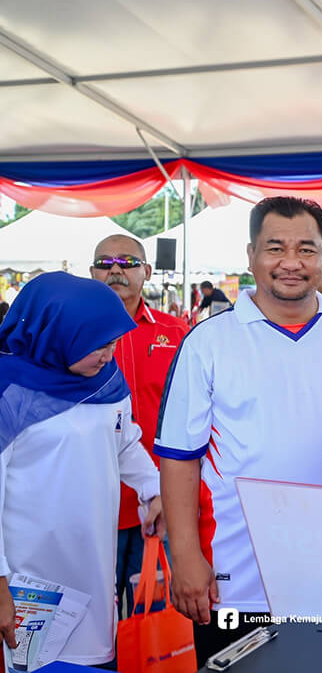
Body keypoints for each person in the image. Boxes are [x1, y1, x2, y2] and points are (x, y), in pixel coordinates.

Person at [156, 196, 322, 665]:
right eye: (275, 248)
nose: (291, 263)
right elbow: (178, 458)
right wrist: (186, 557)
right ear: (251, 255)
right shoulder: (209, 342)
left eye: (306, 249)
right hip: (237, 578)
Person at [0, 273, 163, 666]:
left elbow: (124, 442)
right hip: (26, 575)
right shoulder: (9, 391)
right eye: (98, 345)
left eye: (112, 343)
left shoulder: (105, 380)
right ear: (57, 333)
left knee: (92, 657)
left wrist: (154, 489)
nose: (108, 355)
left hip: (94, 564)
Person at [89, 234, 189, 616]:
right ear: (92, 272)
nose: (116, 270)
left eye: (127, 262)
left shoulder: (176, 332)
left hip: (162, 502)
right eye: (105, 263)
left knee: (158, 617)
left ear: (146, 271)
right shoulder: (73, 336)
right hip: (96, 507)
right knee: (95, 618)